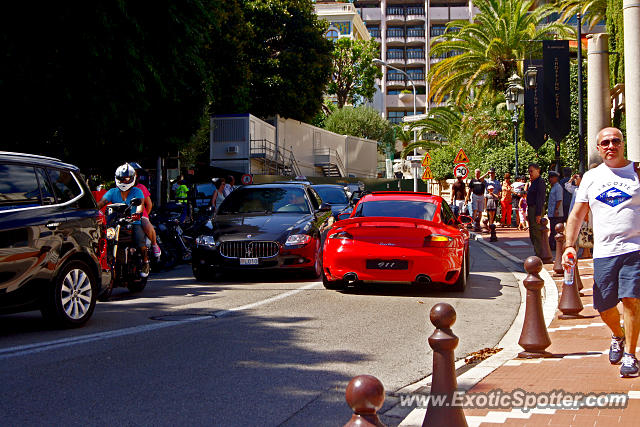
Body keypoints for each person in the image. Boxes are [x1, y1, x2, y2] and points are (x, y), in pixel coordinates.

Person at [562, 127, 640, 378]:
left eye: (615, 141)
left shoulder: (636, 172)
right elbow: (577, 215)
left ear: (622, 144)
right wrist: (569, 246)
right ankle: (618, 335)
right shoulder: (591, 177)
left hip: (634, 249)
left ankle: (630, 355)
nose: (610, 146)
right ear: (598, 148)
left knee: (631, 300)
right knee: (604, 305)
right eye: (605, 142)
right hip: (604, 252)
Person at [97, 164, 150, 278]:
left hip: (133, 223)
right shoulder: (112, 192)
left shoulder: (137, 191)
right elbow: (101, 203)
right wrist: (92, 210)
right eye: (121, 179)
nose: (124, 181)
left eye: (126, 179)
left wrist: (137, 214)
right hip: (114, 224)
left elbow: (140, 205)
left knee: (139, 241)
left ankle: (145, 263)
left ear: (132, 178)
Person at [130, 162, 161, 258]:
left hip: (139, 215)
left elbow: (149, 205)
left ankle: (154, 244)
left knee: (144, 222)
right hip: (125, 216)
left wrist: (144, 216)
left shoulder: (141, 188)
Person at [526, 163, 546, 258]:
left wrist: (538, 214)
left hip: (536, 208)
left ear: (538, 170)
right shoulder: (533, 182)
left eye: (531, 171)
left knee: (536, 232)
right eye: (529, 171)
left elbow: (540, 198)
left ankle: (539, 253)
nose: (530, 173)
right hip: (531, 208)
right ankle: (537, 251)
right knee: (532, 232)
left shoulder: (540, 182)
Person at [547, 170, 563, 250]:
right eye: (549, 178)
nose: (550, 179)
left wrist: (556, 209)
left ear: (556, 178)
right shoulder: (553, 187)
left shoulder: (558, 187)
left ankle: (554, 245)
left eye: (552, 178)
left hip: (556, 213)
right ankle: (552, 245)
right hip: (552, 212)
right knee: (552, 229)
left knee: (555, 230)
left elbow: (559, 199)